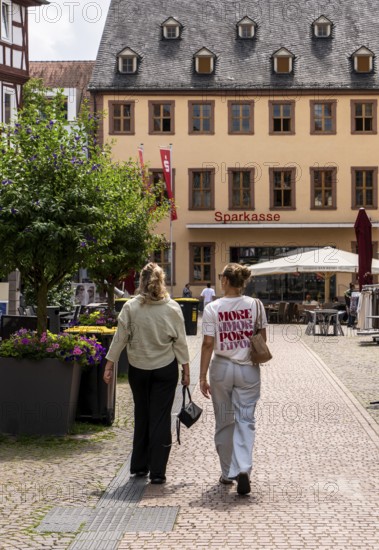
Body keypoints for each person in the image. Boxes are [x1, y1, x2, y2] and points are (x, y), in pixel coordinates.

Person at [103, 263, 190, 484]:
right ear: (162, 281)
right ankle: (158, 472)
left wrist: (109, 364)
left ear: (141, 281)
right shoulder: (172, 308)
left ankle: (140, 466)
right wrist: (186, 370)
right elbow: (180, 342)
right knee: (160, 419)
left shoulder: (131, 307)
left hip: (138, 369)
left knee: (142, 415)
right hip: (165, 368)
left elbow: (120, 338)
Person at [199, 263, 268, 496]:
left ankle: (228, 472)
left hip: (221, 367)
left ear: (226, 281)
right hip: (248, 368)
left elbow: (208, 343)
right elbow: (262, 339)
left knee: (224, 420)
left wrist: (201, 376)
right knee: (245, 420)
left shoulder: (213, 307)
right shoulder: (256, 305)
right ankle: (244, 469)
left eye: (221, 277)